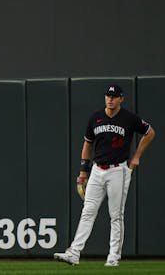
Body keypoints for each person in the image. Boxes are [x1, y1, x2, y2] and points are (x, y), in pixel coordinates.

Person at [53, 83, 156, 268]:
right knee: (87, 212)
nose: (110, 99)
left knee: (116, 215)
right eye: (108, 96)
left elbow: (150, 133)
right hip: (97, 170)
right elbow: (87, 144)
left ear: (121, 99)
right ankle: (74, 253)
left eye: (114, 96)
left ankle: (113, 257)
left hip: (118, 170)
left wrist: (137, 156)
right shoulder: (95, 118)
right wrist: (83, 172)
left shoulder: (129, 118)